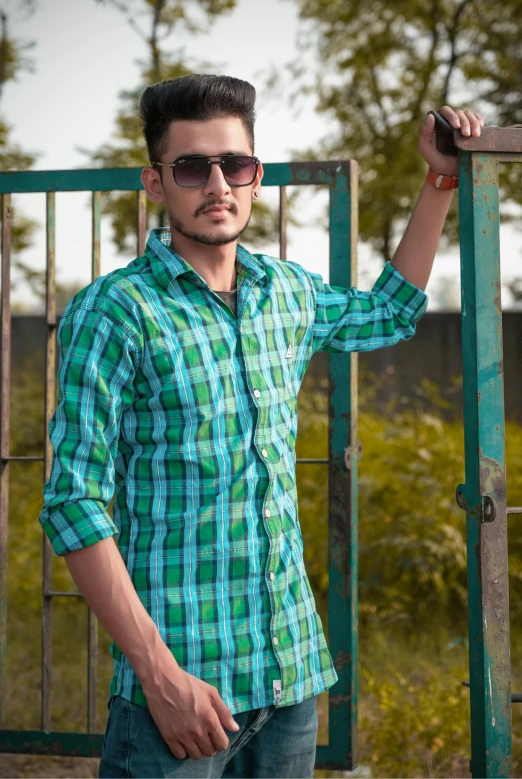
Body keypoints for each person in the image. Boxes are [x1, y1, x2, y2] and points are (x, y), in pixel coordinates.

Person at [38, 73, 483, 778]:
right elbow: (73, 505)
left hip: (290, 685)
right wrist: (160, 677)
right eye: (191, 166)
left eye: (233, 165)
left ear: (256, 176)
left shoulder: (287, 292)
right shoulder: (116, 310)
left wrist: (439, 182)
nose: (216, 184)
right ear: (156, 183)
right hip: (181, 699)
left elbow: (391, 312)